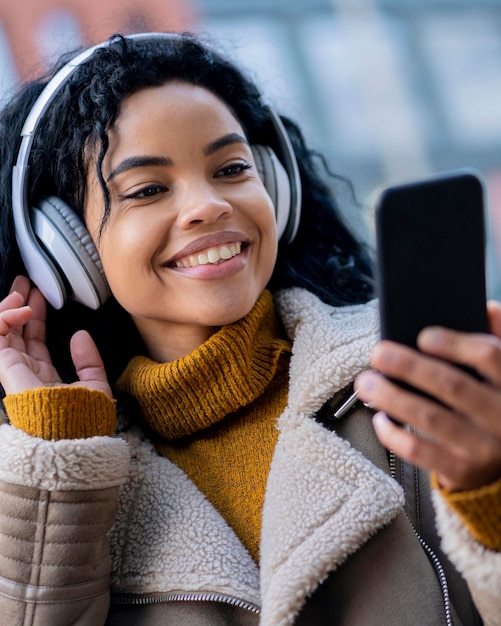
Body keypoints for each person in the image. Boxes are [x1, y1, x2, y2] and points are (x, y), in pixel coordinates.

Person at [0, 31, 498, 626]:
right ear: (63, 248)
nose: (208, 205)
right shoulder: (71, 474)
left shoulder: (407, 380)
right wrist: (60, 459)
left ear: (276, 191)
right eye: (149, 189)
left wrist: (489, 489)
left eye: (231, 168)